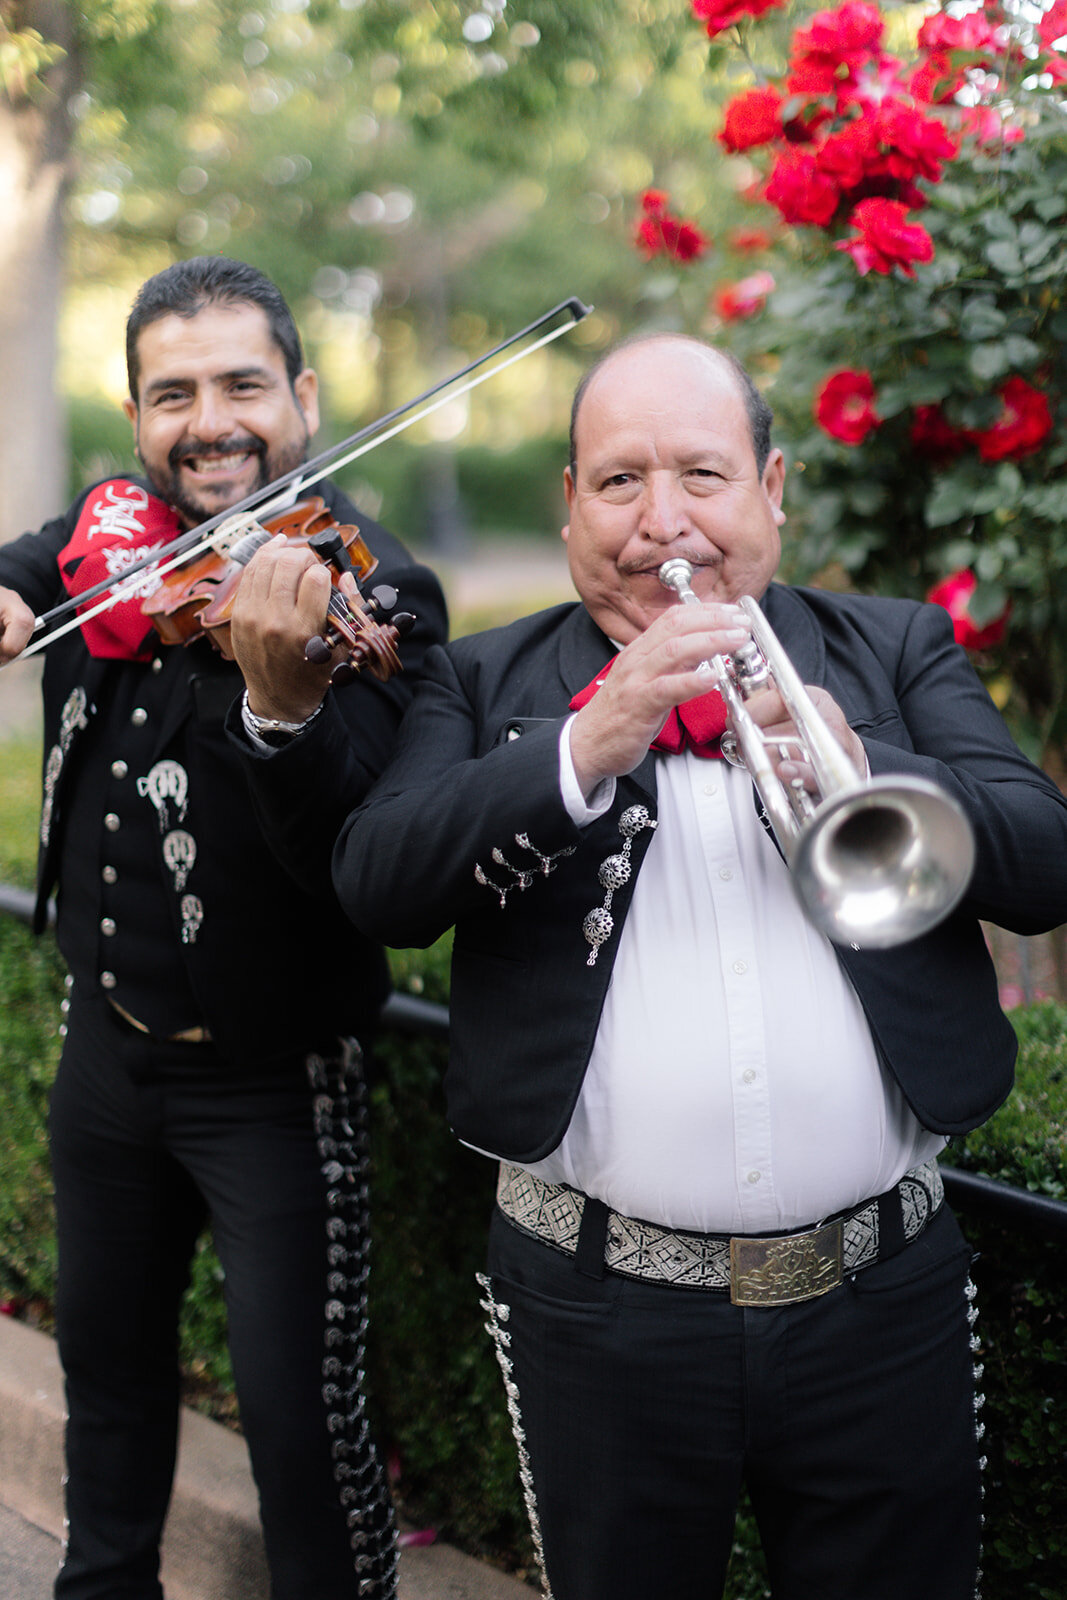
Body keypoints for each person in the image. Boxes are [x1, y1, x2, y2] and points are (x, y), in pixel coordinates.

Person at [311, 334, 1067, 1600]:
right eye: (617, 482)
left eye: (701, 476)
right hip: (596, 1312)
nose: (661, 521)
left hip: (880, 1296)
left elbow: (1042, 859)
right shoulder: (482, 675)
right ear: (567, 505)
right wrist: (588, 742)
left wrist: (867, 765)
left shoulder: (890, 649)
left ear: (772, 488)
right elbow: (376, 878)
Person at [0, 255, 447, 1600]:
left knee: (301, 1428)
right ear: (137, 417)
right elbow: (24, 563)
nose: (212, 421)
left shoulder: (378, 591)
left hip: (273, 1083)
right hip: (105, 1061)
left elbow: (365, 848)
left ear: (302, 397)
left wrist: (282, 702)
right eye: (173, 392)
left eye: (244, 383)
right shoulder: (104, 534)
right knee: (108, 1378)